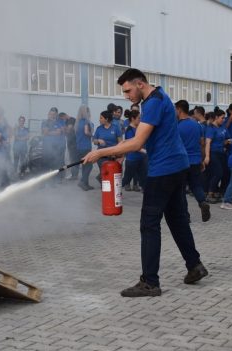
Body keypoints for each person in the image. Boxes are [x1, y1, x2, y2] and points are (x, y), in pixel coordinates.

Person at [82, 68, 208, 297]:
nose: (126, 96)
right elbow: (148, 142)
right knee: (177, 220)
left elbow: (137, 141)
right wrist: (118, 152)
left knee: (149, 224)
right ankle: (194, 266)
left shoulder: (152, 103)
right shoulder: (159, 97)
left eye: (128, 90)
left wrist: (100, 153)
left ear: (140, 84)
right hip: (177, 166)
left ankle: (150, 282)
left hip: (163, 170)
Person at [175, 100, 210, 222]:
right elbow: (202, 143)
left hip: (181, 162)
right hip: (195, 161)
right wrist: (201, 160)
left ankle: (185, 215)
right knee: (196, 185)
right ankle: (202, 202)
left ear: (179, 110)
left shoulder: (177, 127)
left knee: (181, 189)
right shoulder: (197, 125)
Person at [204, 109, 231, 203]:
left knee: (226, 172)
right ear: (216, 117)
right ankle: (210, 193)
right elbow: (208, 143)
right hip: (213, 153)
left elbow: (227, 138)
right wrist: (207, 156)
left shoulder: (223, 128)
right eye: (222, 118)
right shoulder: (211, 128)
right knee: (217, 173)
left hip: (222, 153)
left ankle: (218, 192)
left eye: (224, 118)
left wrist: (227, 142)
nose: (223, 120)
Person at [121, 110, 147, 192]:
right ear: (133, 118)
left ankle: (146, 191)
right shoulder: (129, 130)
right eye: (139, 118)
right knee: (126, 179)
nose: (140, 120)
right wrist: (144, 151)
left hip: (142, 158)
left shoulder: (139, 128)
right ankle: (114, 190)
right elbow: (133, 145)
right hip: (132, 159)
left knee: (144, 178)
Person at [92, 110, 122, 182]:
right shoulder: (99, 129)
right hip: (102, 156)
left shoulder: (115, 128)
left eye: (101, 118)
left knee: (113, 175)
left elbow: (120, 142)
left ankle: (111, 189)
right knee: (105, 174)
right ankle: (104, 188)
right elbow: (94, 141)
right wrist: (98, 141)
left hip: (113, 156)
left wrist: (121, 156)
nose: (99, 119)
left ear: (107, 119)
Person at [41, 107, 66, 180]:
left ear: (56, 114)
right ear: (48, 114)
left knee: (55, 163)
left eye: (54, 114)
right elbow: (45, 132)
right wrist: (53, 132)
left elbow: (59, 132)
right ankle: (44, 180)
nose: (52, 115)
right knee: (45, 164)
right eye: (51, 114)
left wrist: (49, 132)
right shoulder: (45, 122)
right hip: (47, 146)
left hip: (56, 147)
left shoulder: (58, 122)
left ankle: (55, 180)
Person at [74, 105, 95, 191]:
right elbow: (86, 132)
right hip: (86, 146)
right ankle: (82, 182)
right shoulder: (86, 122)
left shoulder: (77, 122)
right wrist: (92, 135)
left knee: (84, 165)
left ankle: (86, 184)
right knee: (89, 166)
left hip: (79, 146)